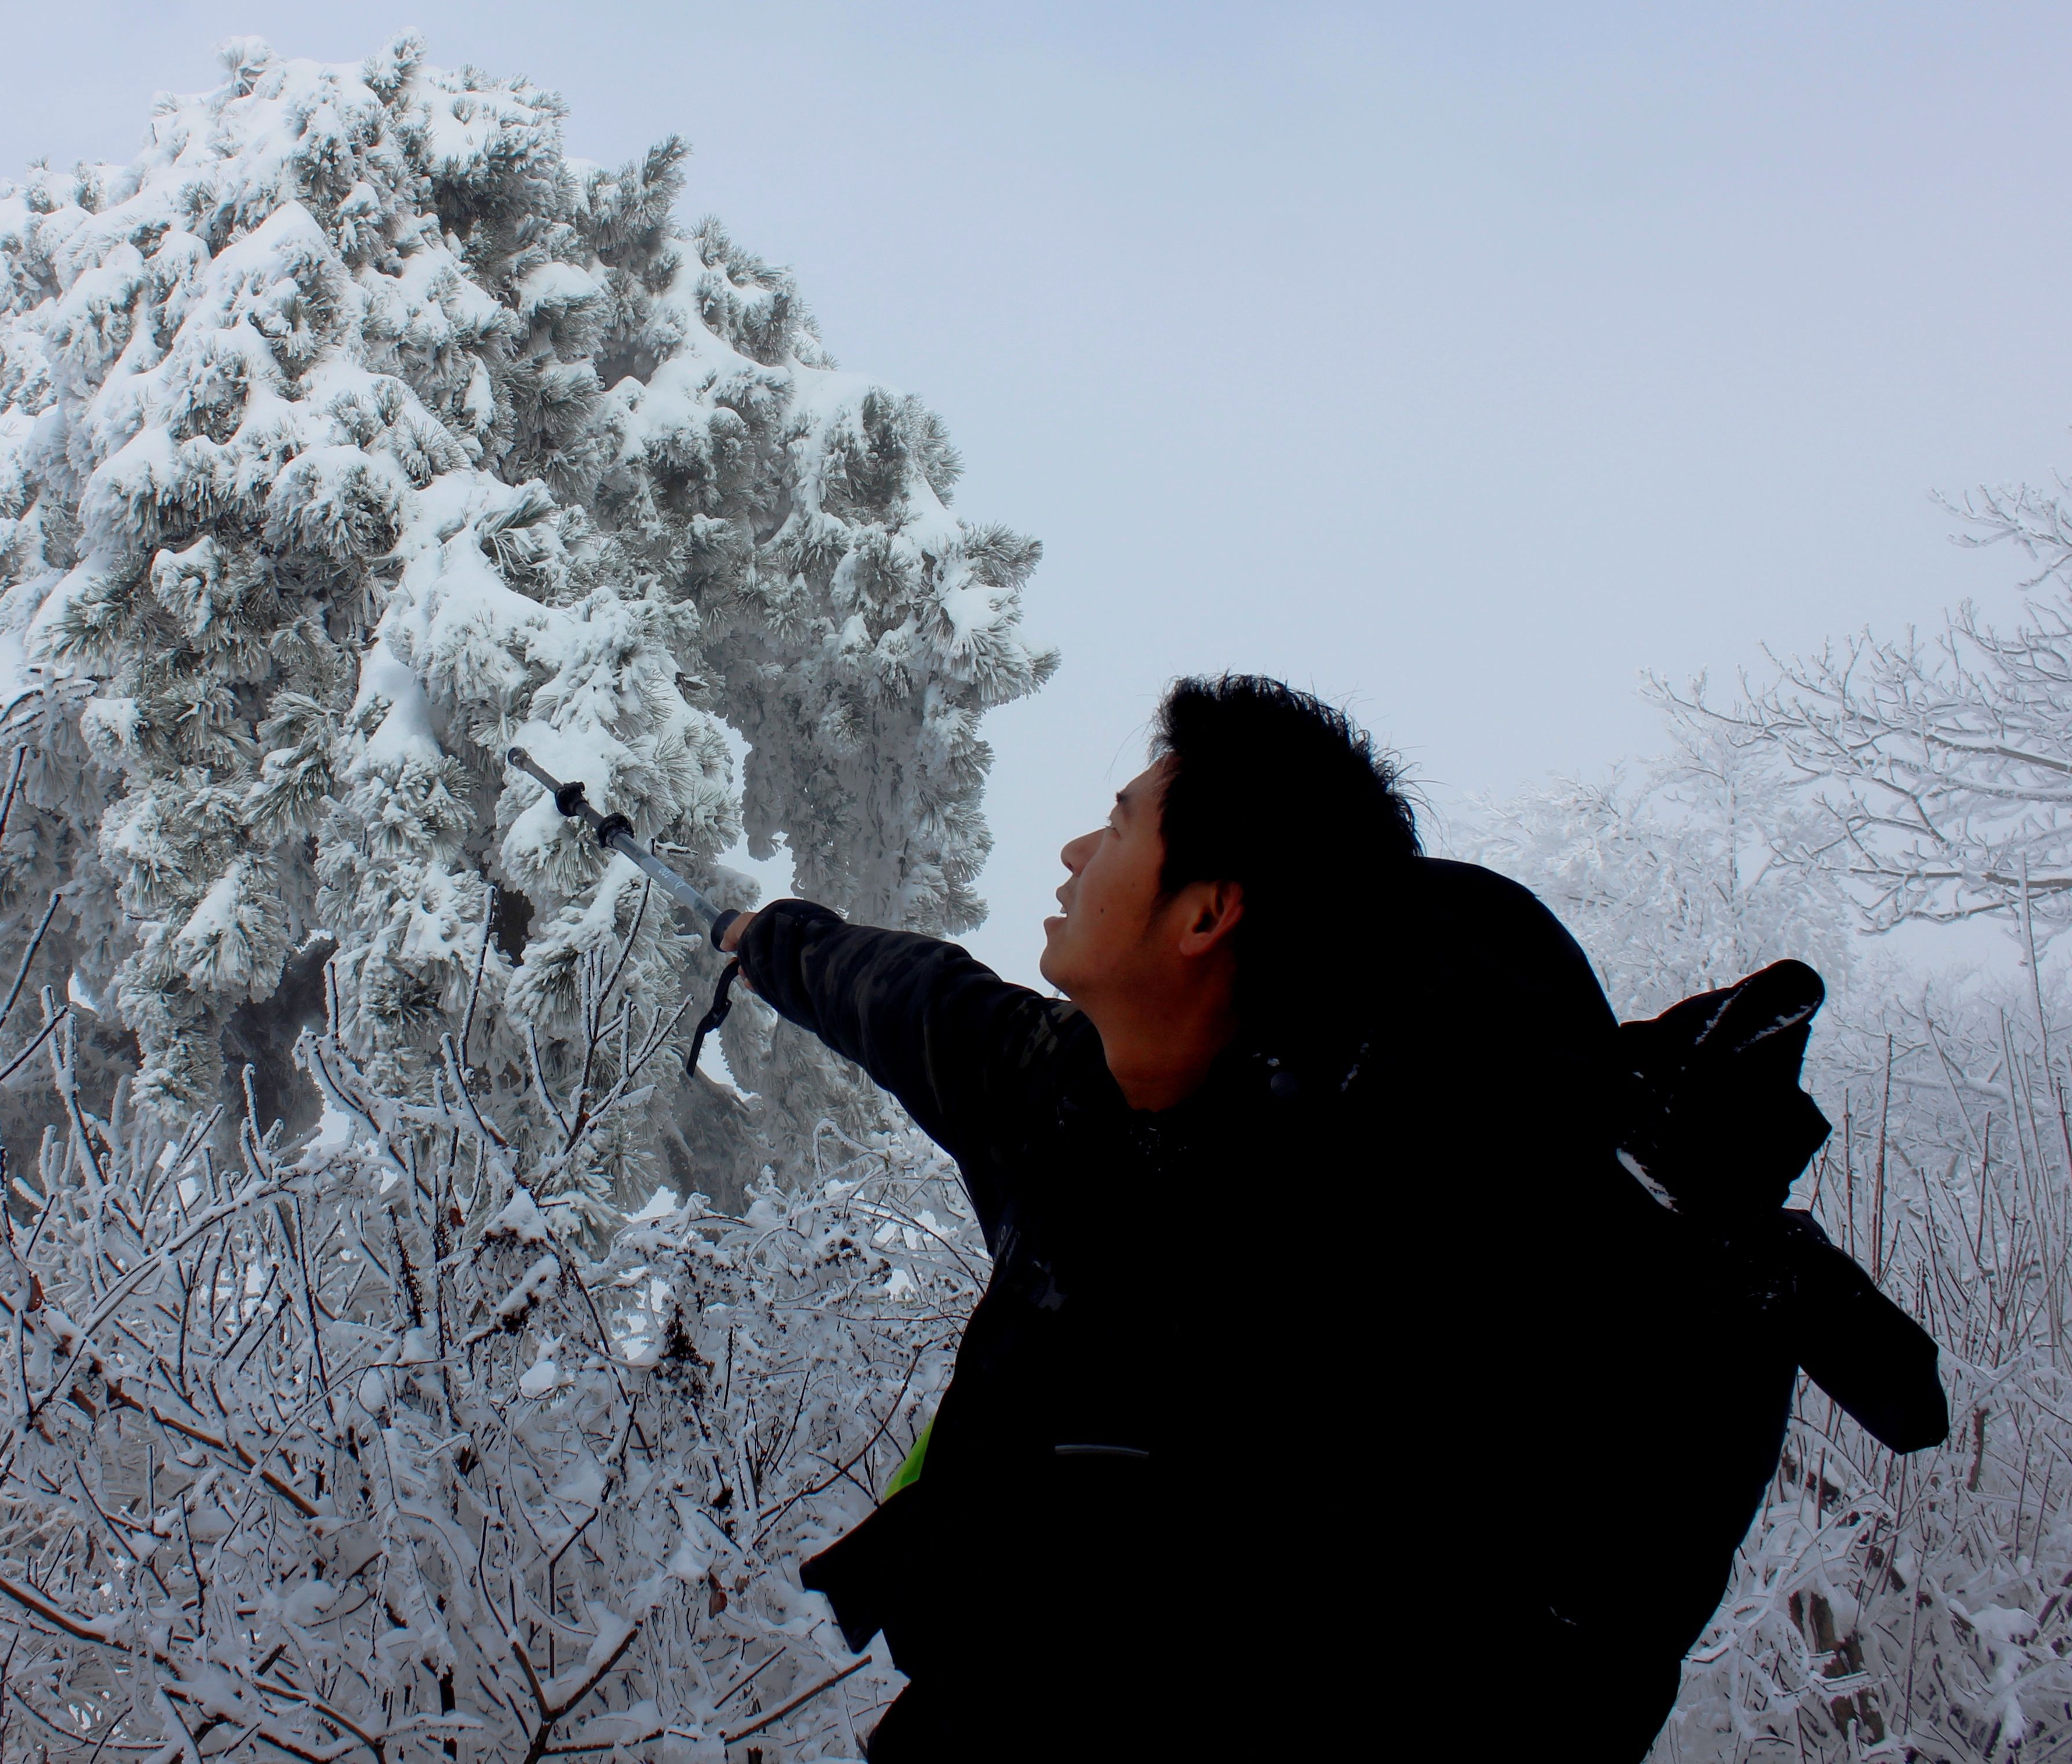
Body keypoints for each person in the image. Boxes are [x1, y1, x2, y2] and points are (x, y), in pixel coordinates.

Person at [718, 674, 1703, 1759]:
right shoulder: (1063, 1092)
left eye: (1123, 825)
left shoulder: (1374, 1260)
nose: (1076, 854)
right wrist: (771, 940)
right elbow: (906, 995)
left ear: (1207, 911)